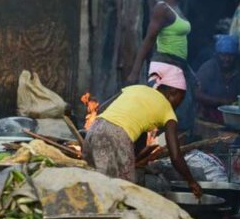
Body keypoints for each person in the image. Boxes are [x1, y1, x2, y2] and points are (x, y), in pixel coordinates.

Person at [84, 64, 203, 198]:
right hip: (116, 136)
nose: (179, 105)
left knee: (93, 186)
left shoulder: (137, 88)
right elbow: (175, 156)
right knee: (123, 194)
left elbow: (101, 109)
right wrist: (191, 181)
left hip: (93, 131)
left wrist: (134, 158)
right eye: (180, 99)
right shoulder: (168, 112)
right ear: (172, 93)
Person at [127, 0, 195, 131]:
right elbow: (149, 40)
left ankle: (170, 151)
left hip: (178, 67)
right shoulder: (162, 9)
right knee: (160, 115)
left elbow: (179, 46)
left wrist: (190, 71)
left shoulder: (177, 9)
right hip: (164, 67)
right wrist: (134, 72)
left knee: (181, 116)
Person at [195, 34, 240, 123]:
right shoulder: (208, 68)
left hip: (236, 117)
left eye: (230, 56)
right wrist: (222, 102)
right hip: (209, 116)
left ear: (236, 56)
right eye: (223, 55)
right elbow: (197, 93)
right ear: (217, 55)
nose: (227, 59)